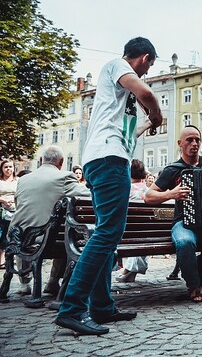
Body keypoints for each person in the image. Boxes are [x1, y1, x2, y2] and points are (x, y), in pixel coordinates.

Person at [55, 37, 162, 336]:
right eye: (149, 66)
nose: (146, 73)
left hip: (106, 157)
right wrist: (156, 114)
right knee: (107, 233)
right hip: (108, 158)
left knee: (107, 232)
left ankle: (102, 306)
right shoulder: (118, 65)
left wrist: (145, 125)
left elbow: (130, 132)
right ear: (143, 57)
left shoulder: (117, 98)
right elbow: (147, 93)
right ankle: (72, 308)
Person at [144, 125, 202, 302]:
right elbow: (148, 196)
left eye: (197, 140)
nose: (194, 143)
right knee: (185, 242)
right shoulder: (173, 170)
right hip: (184, 222)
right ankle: (194, 286)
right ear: (180, 143)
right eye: (189, 140)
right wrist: (171, 194)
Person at [11, 146, 91, 296]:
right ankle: (53, 281)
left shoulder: (23, 179)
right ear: (61, 162)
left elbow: (18, 204)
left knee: (25, 227)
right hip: (47, 238)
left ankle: (24, 282)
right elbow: (87, 195)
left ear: (41, 161)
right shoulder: (64, 177)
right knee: (65, 237)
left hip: (16, 236)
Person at [117, 159, 150, 282]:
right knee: (143, 232)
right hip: (152, 233)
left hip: (126, 232)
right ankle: (129, 270)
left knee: (137, 232)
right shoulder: (150, 192)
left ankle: (128, 270)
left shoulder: (125, 190)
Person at [0, 160, 19, 269]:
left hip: (13, 211)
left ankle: (4, 259)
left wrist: (13, 200)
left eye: (10, 167)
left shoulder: (18, 181)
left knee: (7, 236)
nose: (8, 169)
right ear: (2, 169)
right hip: (1, 209)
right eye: (6, 167)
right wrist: (2, 200)